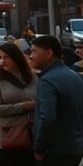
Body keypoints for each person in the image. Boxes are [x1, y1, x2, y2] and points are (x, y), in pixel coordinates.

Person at [29, 35, 83, 165]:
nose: (31, 56)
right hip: (75, 147)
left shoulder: (47, 80)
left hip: (54, 150)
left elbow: (47, 118)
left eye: (34, 51)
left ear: (49, 53)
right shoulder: (73, 76)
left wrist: (39, 148)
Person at [0, 41, 38, 166]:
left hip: (32, 135)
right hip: (8, 137)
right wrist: (23, 106)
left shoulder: (33, 76)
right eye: (0, 57)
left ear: (16, 57)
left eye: (6, 57)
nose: (2, 61)